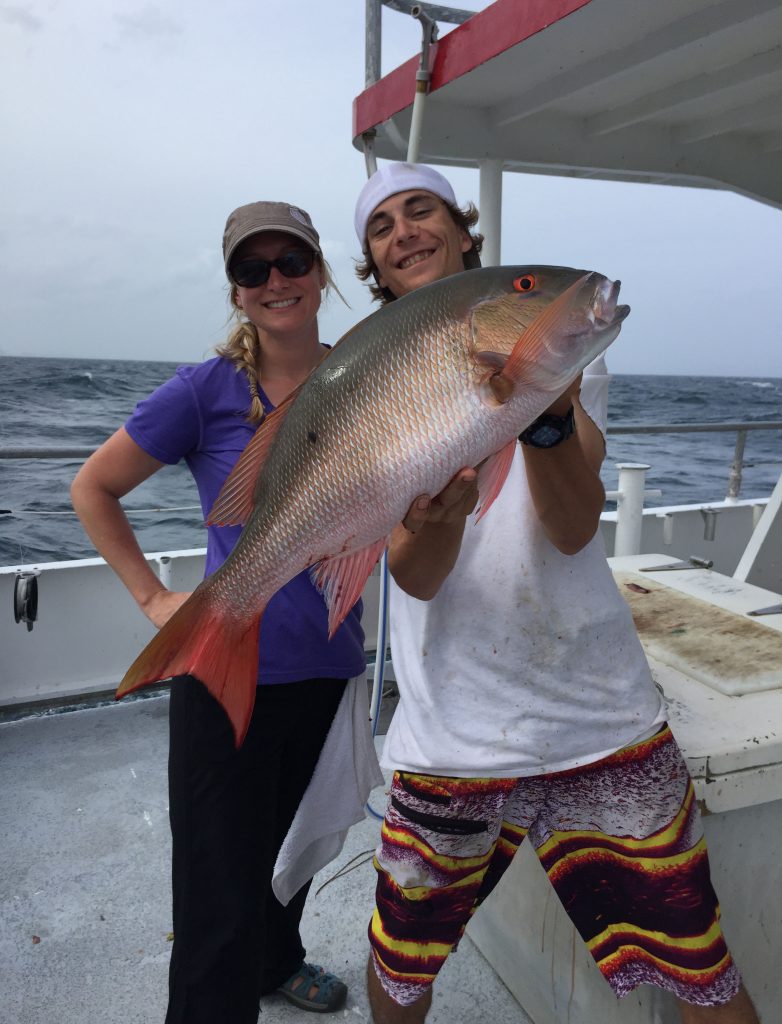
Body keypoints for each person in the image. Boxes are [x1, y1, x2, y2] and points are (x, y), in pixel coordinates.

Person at [353, 162, 759, 1024]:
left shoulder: (561, 350)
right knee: (399, 973)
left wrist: (541, 415)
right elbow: (415, 575)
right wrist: (440, 519)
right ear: (377, 269)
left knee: (703, 969)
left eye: (418, 210)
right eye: (380, 228)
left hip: (598, 715)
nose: (402, 232)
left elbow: (574, 526)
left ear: (465, 231)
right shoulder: (378, 390)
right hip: (451, 736)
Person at [71, 202, 363, 1022]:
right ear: (236, 292)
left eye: (292, 262)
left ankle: (278, 962)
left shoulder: (365, 379)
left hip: (332, 666)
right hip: (223, 668)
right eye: (252, 269)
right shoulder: (205, 391)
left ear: (319, 273)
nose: (276, 281)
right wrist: (154, 597)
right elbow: (93, 487)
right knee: (216, 885)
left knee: (295, 849)